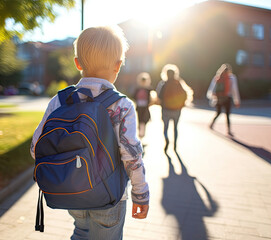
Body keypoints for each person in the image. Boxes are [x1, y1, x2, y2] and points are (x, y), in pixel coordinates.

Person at [30, 25, 149, 240]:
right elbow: (131, 155)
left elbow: (36, 147)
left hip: (72, 192)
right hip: (109, 196)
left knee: (81, 232)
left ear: (77, 63)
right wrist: (140, 194)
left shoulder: (59, 100)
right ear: (118, 65)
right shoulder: (122, 105)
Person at [156, 64, 193, 152]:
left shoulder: (163, 84)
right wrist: (181, 104)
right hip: (177, 110)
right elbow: (185, 94)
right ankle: (175, 145)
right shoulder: (179, 82)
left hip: (165, 110)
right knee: (175, 128)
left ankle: (166, 139)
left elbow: (159, 96)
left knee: (165, 128)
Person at [206, 63, 240, 136]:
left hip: (219, 98)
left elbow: (212, 89)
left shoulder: (217, 77)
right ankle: (229, 130)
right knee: (227, 115)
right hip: (227, 98)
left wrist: (213, 97)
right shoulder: (232, 78)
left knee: (218, 113)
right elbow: (234, 90)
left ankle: (211, 124)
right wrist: (236, 101)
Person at [133, 72, 152, 139]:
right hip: (139, 107)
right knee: (140, 120)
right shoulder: (137, 89)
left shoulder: (148, 89)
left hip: (145, 107)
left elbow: (150, 99)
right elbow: (134, 97)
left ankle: (142, 133)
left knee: (144, 120)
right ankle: (140, 133)